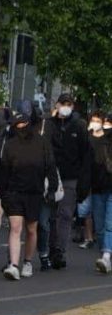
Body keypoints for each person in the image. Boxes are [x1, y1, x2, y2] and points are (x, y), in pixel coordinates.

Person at [0, 100, 59, 281]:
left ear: (30, 123)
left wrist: (52, 189)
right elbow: (4, 171)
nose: (21, 127)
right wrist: (3, 193)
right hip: (14, 192)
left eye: (24, 123)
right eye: (17, 124)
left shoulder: (42, 143)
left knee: (32, 229)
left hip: (35, 192)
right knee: (15, 228)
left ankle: (28, 261)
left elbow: (51, 166)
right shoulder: (10, 145)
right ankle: (14, 265)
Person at [38, 93, 90, 270]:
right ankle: (50, 248)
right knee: (50, 217)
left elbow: (85, 155)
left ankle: (60, 250)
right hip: (50, 176)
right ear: (57, 105)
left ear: (73, 106)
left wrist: (84, 182)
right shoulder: (48, 125)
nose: (66, 106)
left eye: (69, 104)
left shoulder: (79, 126)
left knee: (66, 215)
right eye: (63, 103)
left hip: (70, 177)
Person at [84, 112, 112, 274]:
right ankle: (105, 252)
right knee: (100, 226)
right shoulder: (94, 141)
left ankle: (106, 255)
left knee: (109, 224)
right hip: (97, 188)